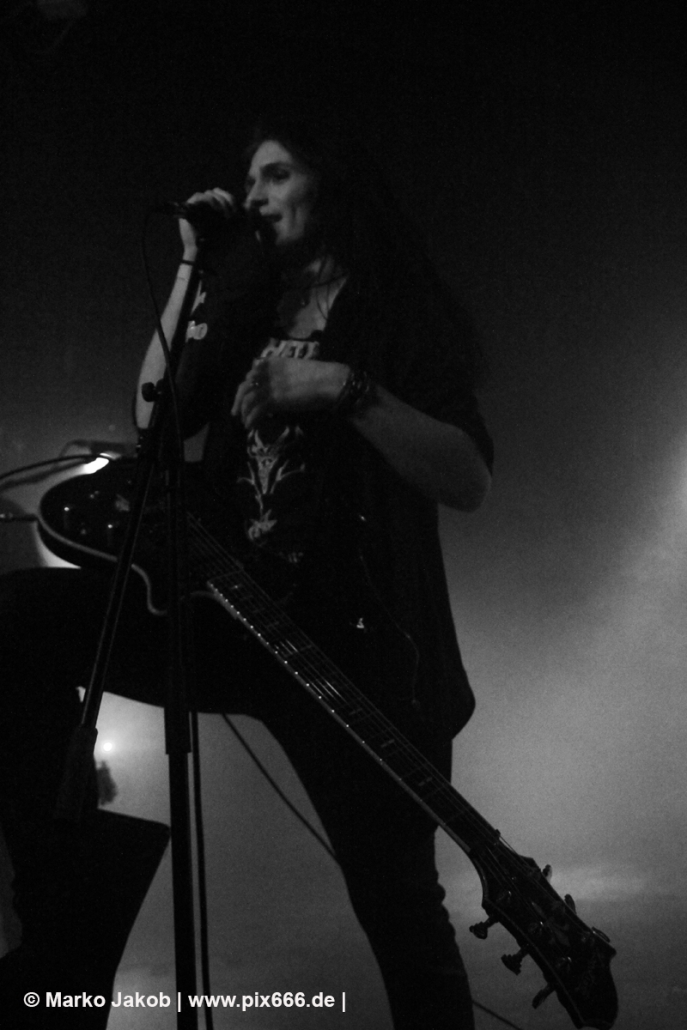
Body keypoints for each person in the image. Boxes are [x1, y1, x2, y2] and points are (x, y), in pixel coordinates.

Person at [0, 116, 493, 1028]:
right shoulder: (251, 304)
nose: (254, 196)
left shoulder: (392, 314)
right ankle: (66, 905)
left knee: (397, 904)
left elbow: (465, 477)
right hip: (231, 619)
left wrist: (342, 388)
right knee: (14, 616)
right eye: (250, 178)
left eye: (276, 176)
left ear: (331, 185)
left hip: (349, 654)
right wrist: (193, 268)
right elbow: (155, 417)